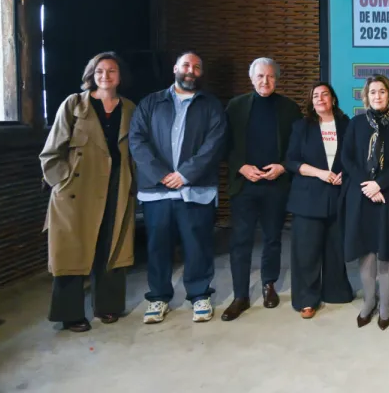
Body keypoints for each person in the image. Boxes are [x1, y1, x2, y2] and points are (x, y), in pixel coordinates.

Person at [39, 52, 137, 332]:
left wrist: (135, 185)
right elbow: (51, 151)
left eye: (111, 71)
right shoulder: (74, 104)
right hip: (77, 190)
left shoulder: (129, 108)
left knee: (112, 245)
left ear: (120, 76)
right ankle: (70, 314)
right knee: (71, 251)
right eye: (100, 71)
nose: (105, 76)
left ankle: (108, 307)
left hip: (116, 186)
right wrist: (63, 182)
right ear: (91, 75)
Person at [129, 51, 227, 324]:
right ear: (175, 68)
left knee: (198, 245)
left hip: (195, 190)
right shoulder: (150, 103)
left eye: (197, 66)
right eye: (186, 65)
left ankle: (199, 295)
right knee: (158, 246)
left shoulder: (211, 106)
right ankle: (158, 298)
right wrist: (162, 175)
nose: (191, 70)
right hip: (156, 190)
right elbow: (137, 141)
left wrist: (184, 174)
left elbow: (214, 144)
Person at [221, 58, 302, 321]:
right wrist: (241, 167)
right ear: (251, 78)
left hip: (275, 185)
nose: (265, 81)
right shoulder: (235, 107)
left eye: (270, 77)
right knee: (241, 241)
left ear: (277, 79)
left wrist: (282, 166)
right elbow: (225, 145)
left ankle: (269, 285)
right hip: (245, 184)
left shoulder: (289, 108)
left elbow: (297, 146)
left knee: (272, 238)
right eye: (260, 76)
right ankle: (240, 295)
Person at [341, 75, 389, 330]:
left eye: (382, 92)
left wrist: (380, 185)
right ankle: (369, 302)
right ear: (366, 96)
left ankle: (384, 305)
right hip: (361, 196)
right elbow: (346, 158)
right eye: (373, 92)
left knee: (386, 251)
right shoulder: (356, 123)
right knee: (366, 252)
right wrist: (367, 185)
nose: (377, 96)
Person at [285, 82, 354, 318]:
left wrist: (347, 172)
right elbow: (291, 161)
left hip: (338, 196)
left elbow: (354, 157)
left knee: (336, 248)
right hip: (307, 197)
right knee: (307, 251)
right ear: (311, 102)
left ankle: (336, 291)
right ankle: (307, 299)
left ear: (333, 99)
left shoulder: (347, 125)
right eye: (316, 95)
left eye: (325, 94)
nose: (321, 98)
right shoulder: (301, 126)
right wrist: (320, 173)